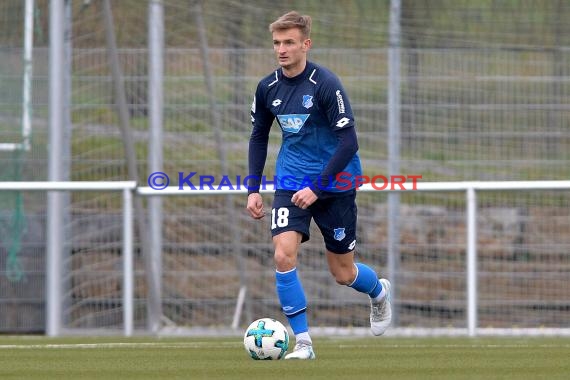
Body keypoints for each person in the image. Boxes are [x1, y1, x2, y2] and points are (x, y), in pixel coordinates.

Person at [246, 10, 391, 360]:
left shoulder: (325, 84)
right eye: (277, 43)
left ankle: (379, 292)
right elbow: (258, 136)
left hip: (334, 185)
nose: (282, 49)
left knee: (343, 273)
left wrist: (318, 186)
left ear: (305, 44)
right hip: (291, 181)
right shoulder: (267, 88)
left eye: (289, 42)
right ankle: (304, 343)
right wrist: (253, 187)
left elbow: (348, 142)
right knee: (283, 254)